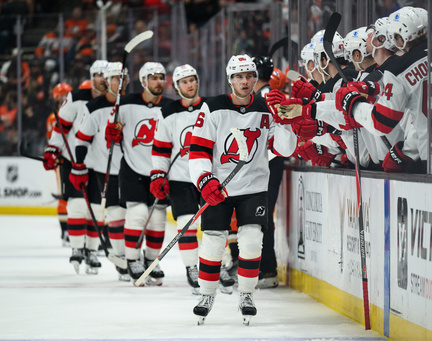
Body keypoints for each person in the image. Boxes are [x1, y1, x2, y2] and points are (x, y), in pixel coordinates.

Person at [189, 54, 297, 324]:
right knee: (213, 241)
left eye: (249, 75)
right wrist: (205, 180)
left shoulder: (265, 108)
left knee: (251, 241)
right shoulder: (212, 107)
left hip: (253, 188)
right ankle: (206, 294)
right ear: (230, 80)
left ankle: (246, 295)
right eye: (239, 76)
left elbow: (285, 148)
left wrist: (284, 118)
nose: (245, 81)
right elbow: (198, 150)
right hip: (220, 188)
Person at [334, 7, 432, 174]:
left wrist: (354, 104)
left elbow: (382, 122)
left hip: (427, 157)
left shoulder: (400, 69)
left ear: (401, 37)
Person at [106, 62, 173, 286]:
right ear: (143, 81)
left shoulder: (171, 107)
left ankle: (152, 260)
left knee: (157, 218)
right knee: (138, 213)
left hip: (160, 172)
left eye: (161, 77)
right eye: (153, 78)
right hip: (133, 169)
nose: (158, 82)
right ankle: (133, 260)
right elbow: (112, 136)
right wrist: (112, 133)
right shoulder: (125, 103)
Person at [43, 60, 108, 274]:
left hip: (99, 162)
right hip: (74, 160)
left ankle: (90, 250)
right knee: (77, 205)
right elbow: (61, 127)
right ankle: (77, 248)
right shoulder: (76, 98)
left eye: (104, 74)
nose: (101, 78)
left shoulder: (115, 101)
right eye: (97, 74)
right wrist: (53, 149)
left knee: (95, 208)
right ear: (92, 76)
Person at [151, 64, 210, 293]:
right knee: (187, 224)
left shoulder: (210, 107)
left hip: (207, 175)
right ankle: (191, 268)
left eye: (192, 80)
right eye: (184, 82)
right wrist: (158, 174)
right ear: (176, 87)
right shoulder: (167, 112)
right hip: (179, 178)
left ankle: (216, 265)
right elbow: (161, 149)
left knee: (214, 225)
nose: (190, 84)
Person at [72, 61, 128, 279]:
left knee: (134, 216)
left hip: (132, 170)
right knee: (114, 214)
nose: (119, 83)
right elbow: (82, 140)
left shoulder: (132, 104)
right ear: (107, 81)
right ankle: (121, 260)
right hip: (104, 169)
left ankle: (133, 258)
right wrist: (78, 166)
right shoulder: (94, 106)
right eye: (115, 78)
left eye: (122, 78)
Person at [252, 55, 284, 289]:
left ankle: (268, 268)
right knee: (260, 213)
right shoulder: (263, 95)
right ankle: (264, 268)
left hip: (269, 161)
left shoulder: (263, 97)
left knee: (262, 214)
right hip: (269, 160)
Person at [46, 82, 73, 247]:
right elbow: (53, 140)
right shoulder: (53, 118)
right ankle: (65, 231)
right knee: (64, 196)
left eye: (66, 95)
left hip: (76, 159)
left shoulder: (76, 113)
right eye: (60, 96)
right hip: (62, 160)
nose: (63, 99)